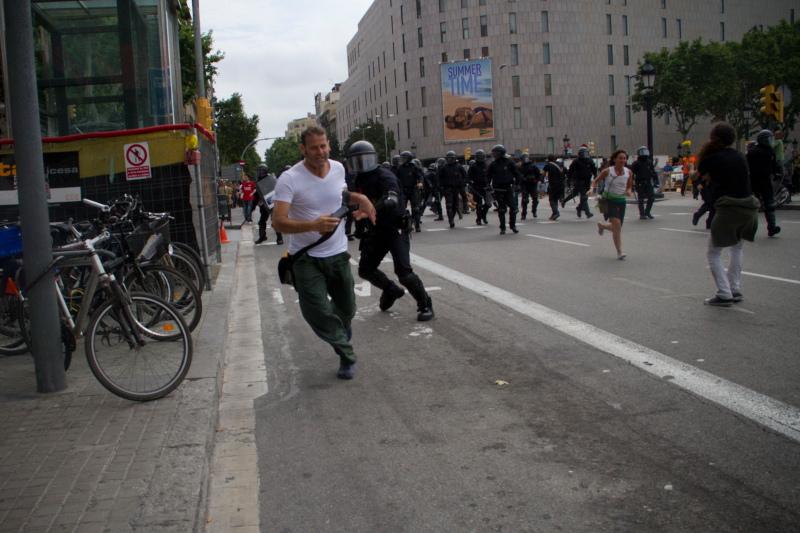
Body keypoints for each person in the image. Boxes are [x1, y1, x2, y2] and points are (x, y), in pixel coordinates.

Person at [271, 126, 376, 380]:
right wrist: (313, 225)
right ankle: (346, 354)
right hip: (306, 258)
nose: (321, 152)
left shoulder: (339, 168)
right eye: (314, 147)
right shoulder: (289, 179)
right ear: (303, 149)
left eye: (324, 146)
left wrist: (360, 200)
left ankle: (339, 334)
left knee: (347, 309)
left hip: (338, 253)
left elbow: (339, 194)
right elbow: (278, 222)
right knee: (317, 310)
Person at [347, 141, 434, 322]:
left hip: (395, 229)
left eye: (366, 159)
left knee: (404, 273)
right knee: (365, 270)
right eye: (358, 161)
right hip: (375, 230)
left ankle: (425, 304)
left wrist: (371, 209)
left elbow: (391, 199)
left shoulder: (385, 176)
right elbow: (349, 201)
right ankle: (391, 290)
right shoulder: (356, 179)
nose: (363, 164)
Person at [696, 122, 759, 306]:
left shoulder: (711, 158)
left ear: (713, 138)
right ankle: (735, 288)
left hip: (728, 208)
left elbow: (701, 174)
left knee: (713, 253)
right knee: (737, 248)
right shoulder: (739, 156)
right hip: (748, 207)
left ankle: (724, 293)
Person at [593, 149, 633, 260]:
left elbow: (629, 186)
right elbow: (595, 181)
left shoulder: (628, 172)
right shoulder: (607, 171)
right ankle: (620, 252)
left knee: (617, 227)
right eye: (620, 158)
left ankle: (602, 226)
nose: (622, 160)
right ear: (615, 159)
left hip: (621, 201)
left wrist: (629, 191)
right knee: (617, 224)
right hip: (607, 200)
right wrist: (592, 189)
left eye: (624, 158)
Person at [746, 130, 782, 237]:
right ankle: (748, 228)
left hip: (765, 181)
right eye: (769, 139)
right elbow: (746, 165)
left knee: (770, 205)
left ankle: (772, 227)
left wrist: (776, 173)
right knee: (752, 205)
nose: (771, 141)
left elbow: (774, 164)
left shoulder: (770, 151)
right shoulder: (753, 151)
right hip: (754, 181)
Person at [487, 144, 521, 234]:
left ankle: (512, 225)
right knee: (501, 209)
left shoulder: (509, 162)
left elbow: (517, 174)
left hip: (508, 188)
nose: (494, 154)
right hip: (498, 189)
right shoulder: (493, 164)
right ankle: (502, 228)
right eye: (493, 152)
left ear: (501, 153)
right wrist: (488, 185)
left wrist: (517, 184)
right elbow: (488, 176)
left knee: (513, 208)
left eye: (495, 152)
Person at [395, 151, 423, 232]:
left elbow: (420, 176)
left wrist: (420, 182)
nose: (402, 160)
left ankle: (417, 225)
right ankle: (405, 225)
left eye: (404, 158)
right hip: (403, 190)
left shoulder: (414, 167)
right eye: (402, 158)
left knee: (416, 209)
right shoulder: (400, 168)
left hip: (413, 189)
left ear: (408, 159)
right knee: (401, 208)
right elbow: (396, 179)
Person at [564, 147, 596, 218]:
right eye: (583, 153)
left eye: (585, 153)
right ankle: (588, 213)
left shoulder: (590, 160)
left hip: (587, 180)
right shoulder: (576, 161)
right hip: (579, 180)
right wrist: (568, 180)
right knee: (584, 196)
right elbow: (570, 171)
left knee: (582, 196)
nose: (585, 155)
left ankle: (578, 208)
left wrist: (596, 177)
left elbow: (594, 169)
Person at [438, 151, 467, 228]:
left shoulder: (459, 166)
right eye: (448, 158)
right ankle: (450, 220)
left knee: (455, 206)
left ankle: (454, 216)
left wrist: (463, 183)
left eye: (451, 158)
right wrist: (441, 187)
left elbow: (465, 176)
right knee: (449, 205)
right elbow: (439, 178)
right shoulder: (444, 167)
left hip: (457, 189)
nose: (449, 160)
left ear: (454, 158)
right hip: (448, 189)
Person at [631, 146, 659, 220]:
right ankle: (642, 214)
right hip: (639, 182)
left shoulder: (649, 162)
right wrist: (631, 184)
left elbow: (653, 172)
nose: (644, 153)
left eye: (645, 151)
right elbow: (631, 174)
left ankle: (647, 212)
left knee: (651, 197)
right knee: (641, 199)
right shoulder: (636, 163)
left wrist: (656, 180)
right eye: (642, 151)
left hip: (648, 181)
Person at [468, 149, 491, 225]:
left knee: (488, 204)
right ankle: (478, 219)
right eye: (479, 156)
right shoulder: (473, 166)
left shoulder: (487, 165)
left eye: (481, 156)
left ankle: (483, 215)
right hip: (476, 187)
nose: (480, 158)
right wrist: (470, 182)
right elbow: (468, 177)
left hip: (486, 187)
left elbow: (491, 175)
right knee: (479, 205)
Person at [519, 153, 542, 220]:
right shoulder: (521, 167)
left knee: (535, 199)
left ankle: (534, 211)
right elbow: (518, 175)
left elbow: (539, 174)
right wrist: (522, 179)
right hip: (525, 185)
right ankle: (524, 214)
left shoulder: (533, 166)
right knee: (525, 200)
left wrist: (537, 180)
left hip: (533, 185)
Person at [543, 155, 565, 221]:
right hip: (561, 184)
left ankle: (556, 212)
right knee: (555, 199)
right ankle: (554, 213)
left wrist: (541, 179)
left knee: (551, 199)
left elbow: (543, 173)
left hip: (553, 185)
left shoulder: (548, 165)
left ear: (548, 159)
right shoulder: (559, 164)